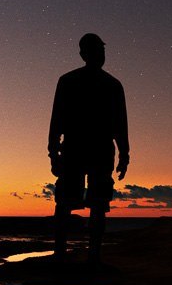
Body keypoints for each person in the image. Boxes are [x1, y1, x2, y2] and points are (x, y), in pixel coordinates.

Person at [47, 32, 129, 264]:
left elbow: (120, 124)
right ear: (84, 54)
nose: (100, 55)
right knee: (66, 202)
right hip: (76, 149)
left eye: (102, 51)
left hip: (98, 151)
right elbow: (57, 121)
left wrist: (125, 154)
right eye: (96, 51)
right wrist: (53, 152)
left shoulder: (112, 85)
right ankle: (62, 254)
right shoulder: (69, 81)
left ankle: (92, 255)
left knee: (97, 203)